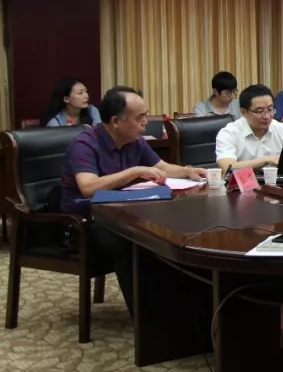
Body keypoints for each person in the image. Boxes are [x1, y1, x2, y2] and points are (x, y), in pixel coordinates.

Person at [60, 86, 207, 315]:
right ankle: (147, 318)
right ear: (116, 121)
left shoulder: (134, 140)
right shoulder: (85, 144)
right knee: (134, 240)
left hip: (123, 211)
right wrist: (134, 171)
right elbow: (88, 187)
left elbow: (162, 167)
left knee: (171, 231)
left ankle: (183, 308)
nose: (146, 122)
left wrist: (188, 171)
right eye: (140, 117)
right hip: (86, 222)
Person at [215, 84, 283, 172]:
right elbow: (227, 168)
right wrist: (265, 160)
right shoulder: (229, 133)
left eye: (270, 109)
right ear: (244, 112)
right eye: (259, 111)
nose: (266, 116)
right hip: (242, 180)